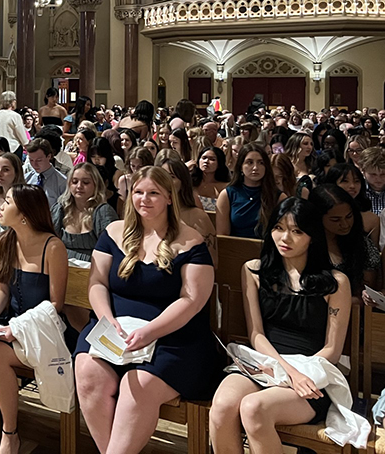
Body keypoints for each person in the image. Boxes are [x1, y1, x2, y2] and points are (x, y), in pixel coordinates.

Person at [74, 166, 220, 454]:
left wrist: (150, 331)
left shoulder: (191, 241)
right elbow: (97, 283)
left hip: (173, 338)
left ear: (169, 196)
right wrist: (107, 319)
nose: (144, 199)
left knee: (134, 386)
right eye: (138, 192)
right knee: (89, 373)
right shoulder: (114, 232)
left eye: (153, 193)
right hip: (115, 329)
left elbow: (191, 301)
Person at [209, 198, 350, 453]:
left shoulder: (336, 282)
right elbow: (256, 334)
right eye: (278, 227)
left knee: (253, 408)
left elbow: (332, 349)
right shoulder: (254, 271)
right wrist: (279, 368)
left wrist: (294, 374)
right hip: (264, 363)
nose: (285, 238)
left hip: (310, 373)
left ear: (312, 236)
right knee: (221, 406)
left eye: (296, 231)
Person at [0, 185, 70, 454]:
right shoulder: (6, 241)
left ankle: (10, 433)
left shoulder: (52, 247)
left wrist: (18, 328)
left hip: (41, 329)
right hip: (11, 323)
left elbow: (56, 304)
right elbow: (2, 290)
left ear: (24, 215)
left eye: (6, 202)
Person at [310, 184, 381, 295]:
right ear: (318, 218)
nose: (345, 224)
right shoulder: (305, 244)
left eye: (349, 216)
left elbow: (367, 291)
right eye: (335, 219)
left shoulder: (363, 244)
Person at [217, 144, 284, 239]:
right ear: (241, 166)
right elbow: (223, 236)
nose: (255, 167)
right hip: (235, 250)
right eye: (249, 162)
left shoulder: (278, 197)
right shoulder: (227, 195)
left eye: (261, 163)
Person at [160, 158, 218, 265]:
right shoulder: (151, 215)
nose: (166, 182)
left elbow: (212, 262)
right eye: (162, 177)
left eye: (172, 177)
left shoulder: (198, 217)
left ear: (183, 182)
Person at [322, 163, 380, 247]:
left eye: (356, 181)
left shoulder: (372, 218)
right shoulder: (321, 213)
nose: (352, 186)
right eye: (345, 181)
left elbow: (376, 251)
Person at [24, 137, 68, 210]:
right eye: (31, 160)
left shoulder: (62, 182)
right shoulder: (26, 178)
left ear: (49, 156)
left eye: (39, 160)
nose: (34, 164)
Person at [192, 146, 231, 211]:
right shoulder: (190, 183)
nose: (206, 161)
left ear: (219, 164)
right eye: (204, 158)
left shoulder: (227, 187)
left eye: (212, 159)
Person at [117, 147, 154, 213]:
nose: (136, 170)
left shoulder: (153, 180)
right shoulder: (124, 180)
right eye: (133, 166)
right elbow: (121, 206)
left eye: (140, 166)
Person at [88, 136, 121, 211]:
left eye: (100, 157)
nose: (96, 160)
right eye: (93, 157)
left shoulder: (116, 173)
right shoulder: (87, 172)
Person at [285, 132, 315, 197]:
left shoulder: (312, 163)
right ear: (295, 144)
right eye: (305, 144)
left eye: (311, 144)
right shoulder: (285, 162)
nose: (309, 147)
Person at [361, 146, 385, 216]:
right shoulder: (359, 191)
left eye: (383, 174)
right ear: (363, 171)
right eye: (373, 174)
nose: (378, 178)